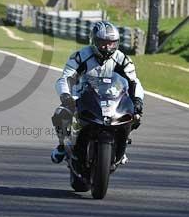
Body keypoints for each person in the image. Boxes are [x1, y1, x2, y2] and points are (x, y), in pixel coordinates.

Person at [50, 20, 144, 165]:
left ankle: (121, 145)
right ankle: (63, 145)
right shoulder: (80, 56)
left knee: (135, 116)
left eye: (111, 43)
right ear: (93, 41)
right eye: (103, 43)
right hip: (83, 95)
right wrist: (66, 95)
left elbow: (134, 82)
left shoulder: (123, 59)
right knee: (60, 114)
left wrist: (137, 100)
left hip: (113, 96)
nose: (107, 47)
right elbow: (65, 77)